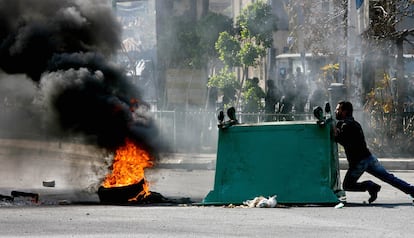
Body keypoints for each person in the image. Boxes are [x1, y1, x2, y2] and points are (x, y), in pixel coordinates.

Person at [334, 101, 414, 203]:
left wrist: (334, 131)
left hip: (359, 162)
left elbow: (340, 139)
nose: (336, 111)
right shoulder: (354, 124)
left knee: (347, 185)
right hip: (369, 158)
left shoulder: (347, 126)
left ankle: (370, 186)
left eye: (338, 109)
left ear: (344, 111)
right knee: (389, 178)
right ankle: (412, 190)